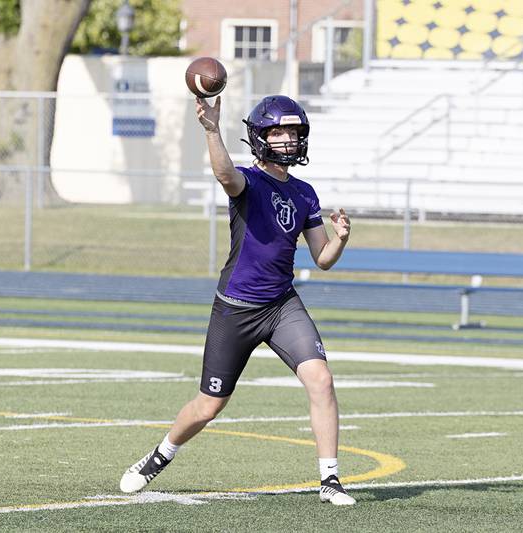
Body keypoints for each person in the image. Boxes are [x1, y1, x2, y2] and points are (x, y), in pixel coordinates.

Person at [119, 94, 355, 505]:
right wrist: (211, 129)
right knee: (209, 405)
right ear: (261, 136)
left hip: (282, 305)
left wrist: (341, 239)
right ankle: (160, 455)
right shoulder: (249, 181)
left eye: (294, 131)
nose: (289, 139)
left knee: (321, 379)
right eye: (280, 131)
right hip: (236, 308)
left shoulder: (305, 193)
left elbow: (323, 259)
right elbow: (226, 175)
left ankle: (330, 479)